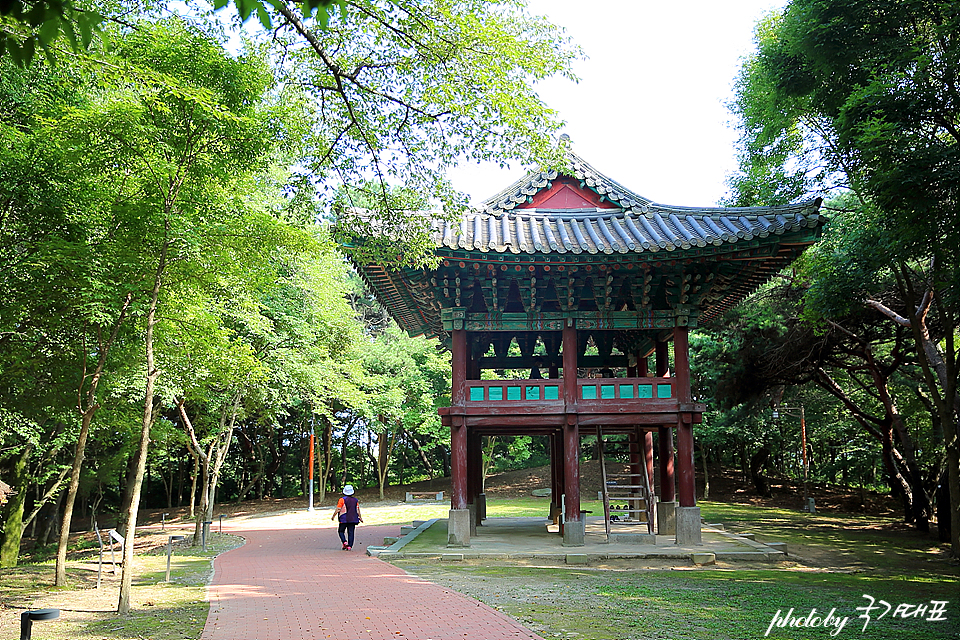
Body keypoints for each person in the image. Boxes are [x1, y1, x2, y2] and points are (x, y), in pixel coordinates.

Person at [331, 484, 362, 550]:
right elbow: (357, 509)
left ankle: (344, 542)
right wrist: (360, 517)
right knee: (351, 532)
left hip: (344, 518)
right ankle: (349, 546)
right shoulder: (355, 500)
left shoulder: (342, 500)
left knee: (341, 531)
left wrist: (333, 516)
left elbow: (338, 509)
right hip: (353, 518)